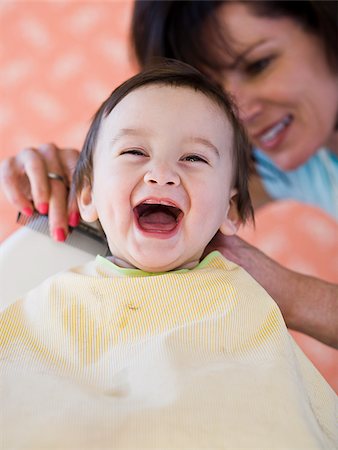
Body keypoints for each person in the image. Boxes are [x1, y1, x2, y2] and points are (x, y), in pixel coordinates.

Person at [1, 61, 336, 449]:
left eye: (194, 158)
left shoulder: (248, 308)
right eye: (133, 151)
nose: (162, 174)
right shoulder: (52, 303)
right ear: (88, 195)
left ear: (229, 211)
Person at [0, 0, 337, 348]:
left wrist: (287, 293)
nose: (243, 111)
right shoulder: (280, 162)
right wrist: (90, 174)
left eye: (258, 65)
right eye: (217, 97)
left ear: (326, 28)